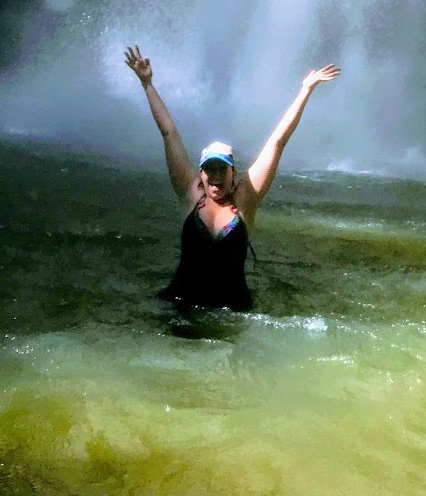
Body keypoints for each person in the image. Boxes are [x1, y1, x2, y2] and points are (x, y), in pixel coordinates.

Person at [124, 44, 340, 311]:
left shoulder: (246, 199)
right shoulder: (192, 194)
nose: (215, 176)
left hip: (231, 311)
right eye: (209, 169)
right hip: (182, 303)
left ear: (233, 172)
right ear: (201, 173)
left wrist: (305, 90)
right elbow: (168, 132)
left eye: (221, 169)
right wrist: (147, 84)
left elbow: (278, 142)